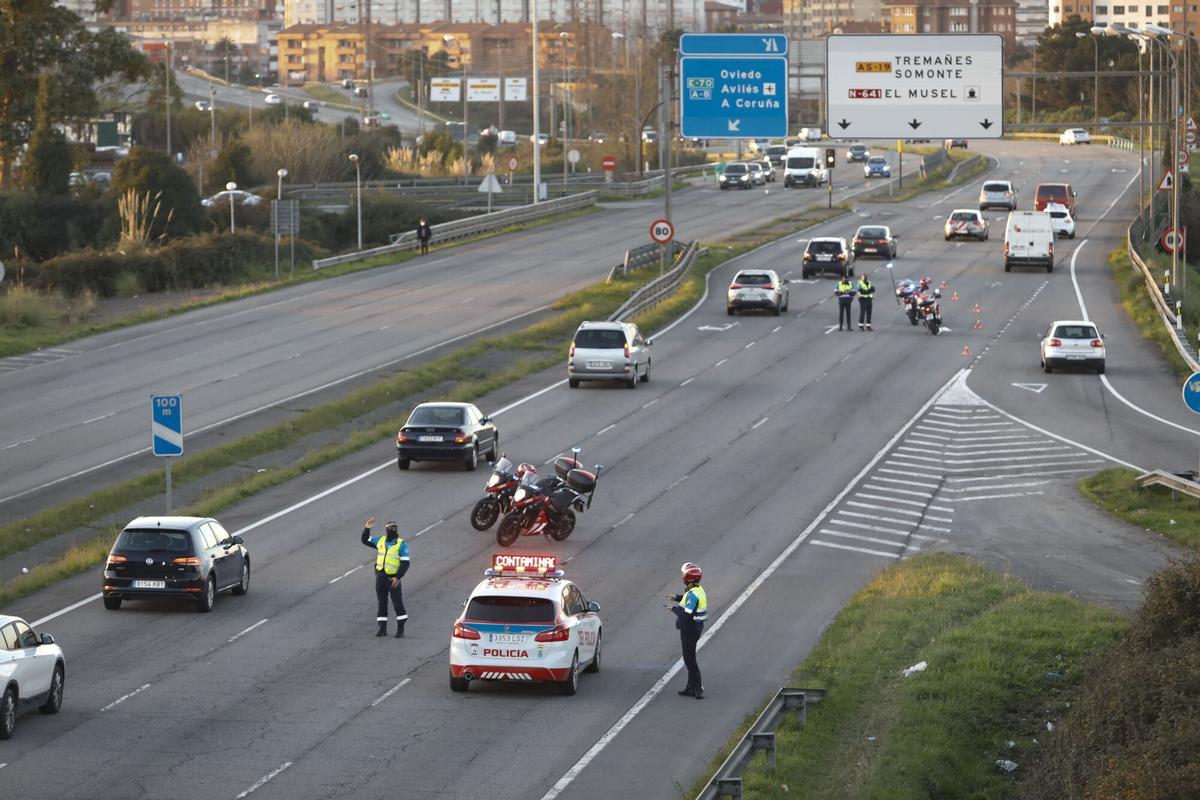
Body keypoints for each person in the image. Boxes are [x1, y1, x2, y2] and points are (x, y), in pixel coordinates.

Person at [362, 517, 410, 638]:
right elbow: (365, 540)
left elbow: (405, 562)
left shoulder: (401, 544)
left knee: (397, 603)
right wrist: (367, 529)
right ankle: (382, 628)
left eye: (394, 528)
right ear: (386, 529)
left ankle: (400, 629)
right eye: (390, 528)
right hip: (380, 577)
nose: (392, 530)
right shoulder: (380, 540)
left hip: (393, 579)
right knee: (382, 602)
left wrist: (398, 577)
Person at [668, 562, 708, 699]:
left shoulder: (693, 594)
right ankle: (690, 687)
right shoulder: (697, 589)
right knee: (689, 658)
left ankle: (698, 688)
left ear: (687, 577)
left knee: (689, 659)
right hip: (694, 627)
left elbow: (687, 614)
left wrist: (673, 609)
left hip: (690, 629)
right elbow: (687, 599)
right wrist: (676, 597)